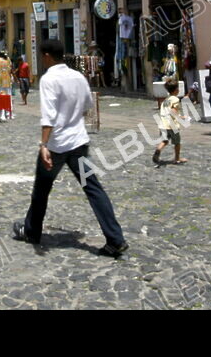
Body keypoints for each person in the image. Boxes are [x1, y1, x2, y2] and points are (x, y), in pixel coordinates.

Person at [12, 40, 127, 258]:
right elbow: (87, 106)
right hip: (78, 144)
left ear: (46, 56)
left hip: (56, 145)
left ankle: (31, 231)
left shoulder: (49, 79)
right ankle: (115, 239)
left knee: (41, 190)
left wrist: (43, 144)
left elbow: (49, 115)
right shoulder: (78, 77)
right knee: (93, 189)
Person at [153, 80, 186, 166]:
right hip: (172, 125)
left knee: (164, 140)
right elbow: (173, 111)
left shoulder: (165, 100)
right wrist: (181, 117)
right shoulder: (175, 99)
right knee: (177, 143)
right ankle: (177, 158)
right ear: (176, 90)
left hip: (163, 124)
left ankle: (158, 149)